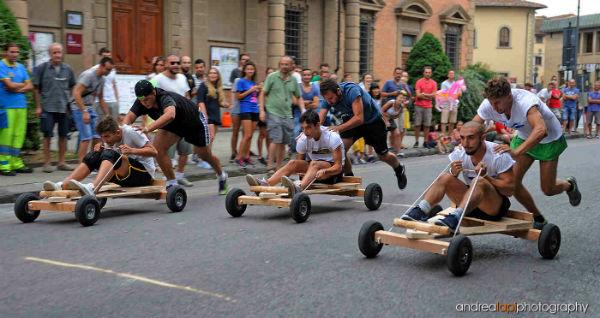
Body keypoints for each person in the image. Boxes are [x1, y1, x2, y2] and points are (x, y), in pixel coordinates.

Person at [473, 76, 580, 229]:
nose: (494, 107)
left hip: (548, 140)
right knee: (512, 184)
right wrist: (462, 140)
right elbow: (474, 126)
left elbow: (540, 130)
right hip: (523, 137)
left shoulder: (525, 102)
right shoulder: (489, 104)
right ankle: (539, 218)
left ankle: (569, 185)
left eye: (497, 103)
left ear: (509, 96)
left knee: (548, 189)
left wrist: (516, 152)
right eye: (491, 103)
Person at [401, 121, 515, 233]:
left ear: (483, 138)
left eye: (471, 138)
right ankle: (421, 209)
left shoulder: (498, 154)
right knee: (445, 177)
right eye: (462, 138)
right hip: (469, 206)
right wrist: (454, 172)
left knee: (479, 180)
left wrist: (486, 177)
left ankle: (456, 217)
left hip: (493, 208)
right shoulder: (460, 152)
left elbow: (509, 190)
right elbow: (446, 182)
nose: (465, 143)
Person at [125, 79, 229, 194]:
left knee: (204, 154)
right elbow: (128, 118)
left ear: (154, 93)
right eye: (141, 101)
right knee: (158, 150)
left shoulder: (164, 97)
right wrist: (121, 132)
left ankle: (222, 175)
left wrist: (148, 128)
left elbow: (170, 114)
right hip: (174, 126)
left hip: (194, 123)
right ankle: (172, 184)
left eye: (147, 100)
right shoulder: (141, 101)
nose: (144, 103)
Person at [318, 79, 407, 191]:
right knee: (340, 149)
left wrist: (338, 128)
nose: (329, 102)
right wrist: (307, 132)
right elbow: (319, 122)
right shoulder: (327, 98)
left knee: (383, 155)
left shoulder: (351, 91)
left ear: (338, 91)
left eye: (331, 98)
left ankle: (399, 169)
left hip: (372, 121)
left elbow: (359, 118)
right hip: (351, 120)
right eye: (327, 99)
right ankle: (349, 178)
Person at [42, 116, 157, 195]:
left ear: (117, 132)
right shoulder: (110, 140)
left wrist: (132, 150)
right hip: (125, 176)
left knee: (110, 154)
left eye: (106, 137)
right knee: (94, 155)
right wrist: (100, 152)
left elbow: (154, 151)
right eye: (102, 137)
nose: (104, 140)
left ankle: (93, 188)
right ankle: (63, 185)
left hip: (144, 175)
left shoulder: (130, 131)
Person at [246, 111, 344, 196]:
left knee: (314, 163)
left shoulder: (332, 137)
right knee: (293, 162)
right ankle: (266, 184)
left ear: (318, 125)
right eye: (303, 128)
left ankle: (298, 189)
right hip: (314, 170)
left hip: (332, 173)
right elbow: (300, 164)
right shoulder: (303, 139)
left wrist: (325, 172)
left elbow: (338, 167)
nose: (305, 132)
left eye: (308, 128)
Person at [33, 43, 76, 173]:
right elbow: (36, 88)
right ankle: (47, 163)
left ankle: (61, 162)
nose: (57, 55)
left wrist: (69, 101)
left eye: (59, 52)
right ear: (49, 54)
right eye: (54, 52)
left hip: (63, 107)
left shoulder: (68, 69)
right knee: (47, 136)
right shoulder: (42, 68)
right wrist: (38, 106)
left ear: (62, 53)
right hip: (47, 107)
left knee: (63, 135)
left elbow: (72, 86)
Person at [259, 56, 305, 173]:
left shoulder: (293, 80)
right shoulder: (272, 77)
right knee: (275, 139)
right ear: (279, 65)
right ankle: (270, 166)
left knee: (284, 142)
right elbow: (262, 93)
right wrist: (262, 111)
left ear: (291, 66)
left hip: (287, 114)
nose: (284, 66)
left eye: (286, 64)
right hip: (273, 112)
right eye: (282, 64)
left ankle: (279, 167)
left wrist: (303, 110)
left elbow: (299, 97)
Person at [154, 55, 194, 186]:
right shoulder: (157, 79)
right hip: (168, 122)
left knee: (185, 151)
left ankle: (180, 175)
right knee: (166, 152)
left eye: (177, 62)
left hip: (184, 121)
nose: (176, 65)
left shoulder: (183, 78)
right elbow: (147, 96)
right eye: (172, 63)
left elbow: (187, 96)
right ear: (166, 64)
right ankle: (169, 178)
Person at [0, 42, 34, 175]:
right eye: (12, 52)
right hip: (6, 107)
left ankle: (16, 162)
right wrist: (21, 86)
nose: (15, 55)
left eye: (16, 52)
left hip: (21, 106)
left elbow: (30, 86)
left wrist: (17, 87)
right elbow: (9, 85)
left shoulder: (20, 67)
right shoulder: (1, 65)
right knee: (6, 137)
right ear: (5, 52)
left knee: (19, 136)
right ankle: (4, 165)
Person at [71, 57, 113, 163]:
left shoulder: (102, 79)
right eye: (108, 69)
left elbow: (101, 98)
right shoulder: (88, 75)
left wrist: (107, 115)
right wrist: (84, 111)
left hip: (90, 108)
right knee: (86, 137)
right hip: (78, 107)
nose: (109, 72)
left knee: (97, 136)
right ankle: (81, 165)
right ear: (101, 66)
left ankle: (91, 162)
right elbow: (76, 93)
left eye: (111, 70)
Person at [235, 61, 261, 167]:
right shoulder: (241, 81)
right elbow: (239, 97)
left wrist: (258, 90)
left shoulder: (254, 82)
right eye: (248, 69)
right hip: (245, 109)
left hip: (255, 109)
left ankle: (246, 156)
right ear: (245, 70)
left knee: (251, 136)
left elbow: (255, 96)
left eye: (252, 69)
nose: (250, 71)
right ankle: (239, 157)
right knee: (247, 135)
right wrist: (252, 90)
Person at [198, 68, 228, 151]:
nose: (213, 75)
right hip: (208, 115)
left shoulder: (218, 87)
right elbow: (200, 101)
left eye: (215, 73)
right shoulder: (203, 86)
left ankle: (204, 156)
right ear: (208, 75)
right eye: (211, 73)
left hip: (216, 115)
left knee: (211, 138)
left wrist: (225, 104)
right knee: (210, 137)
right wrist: (204, 115)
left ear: (218, 76)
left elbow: (217, 102)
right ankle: (206, 158)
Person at [229, 53, 250, 162]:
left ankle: (244, 151)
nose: (245, 61)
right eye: (243, 59)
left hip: (246, 109)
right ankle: (233, 152)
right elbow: (233, 91)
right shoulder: (236, 76)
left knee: (245, 133)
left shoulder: (251, 79)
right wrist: (232, 104)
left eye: (247, 60)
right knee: (235, 131)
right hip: (237, 108)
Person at [295, 68, 320, 152]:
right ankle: (295, 151)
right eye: (304, 75)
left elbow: (316, 105)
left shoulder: (315, 88)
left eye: (308, 75)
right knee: (295, 134)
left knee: (308, 135)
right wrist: (309, 102)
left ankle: (306, 155)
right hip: (297, 115)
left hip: (309, 116)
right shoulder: (297, 87)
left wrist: (302, 102)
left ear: (311, 76)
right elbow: (295, 102)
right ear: (301, 76)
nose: (306, 77)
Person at [414, 66, 438, 147]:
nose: (427, 74)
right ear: (423, 73)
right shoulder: (419, 82)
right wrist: (429, 96)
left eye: (429, 72)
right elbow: (418, 95)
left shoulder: (434, 83)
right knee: (417, 124)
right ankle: (416, 141)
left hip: (428, 106)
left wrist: (424, 94)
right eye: (426, 72)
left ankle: (425, 141)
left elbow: (435, 96)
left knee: (427, 125)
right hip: (418, 105)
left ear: (431, 73)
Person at [256, 67, 275, 165]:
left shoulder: (275, 85)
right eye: (269, 73)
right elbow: (260, 97)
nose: (270, 75)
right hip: (264, 111)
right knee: (262, 134)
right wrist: (261, 111)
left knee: (269, 136)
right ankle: (260, 155)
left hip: (272, 113)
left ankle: (269, 155)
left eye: (272, 73)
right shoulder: (263, 85)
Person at [381, 90, 408, 156]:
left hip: (390, 119)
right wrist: (386, 121)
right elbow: (381, 111)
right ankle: (383, 150)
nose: (402, 99)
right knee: (383, 134)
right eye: (400, 97)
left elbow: (396, 116)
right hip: (381, 118)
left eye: (403, 98)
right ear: (397, 97)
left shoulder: (401, 106)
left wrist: (389, 116)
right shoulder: (391, 103)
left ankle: (399, 152)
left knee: (397, 133)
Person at [94, 48, 119, 119]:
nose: (108, 58)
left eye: (109, 56)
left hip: (112, 101)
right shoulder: (95, 69)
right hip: (100, 101)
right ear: (100, 57)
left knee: (114, 124)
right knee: (102, 125)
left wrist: (117, 100)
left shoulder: (113, 69)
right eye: (105, 56)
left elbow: (114, 85)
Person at [440, 70, 462, 136]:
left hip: (454, 104)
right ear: (448, 75)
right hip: (446, 104)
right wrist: (454, 94)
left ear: (454, 75)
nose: (451, 75)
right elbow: (444, 93)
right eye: (450, 73)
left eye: (453, 74)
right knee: (444, 121)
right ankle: (443, 136)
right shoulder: (444, 84)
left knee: (452, 121)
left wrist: (453, 94)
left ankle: (449, 136)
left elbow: (460, 93)